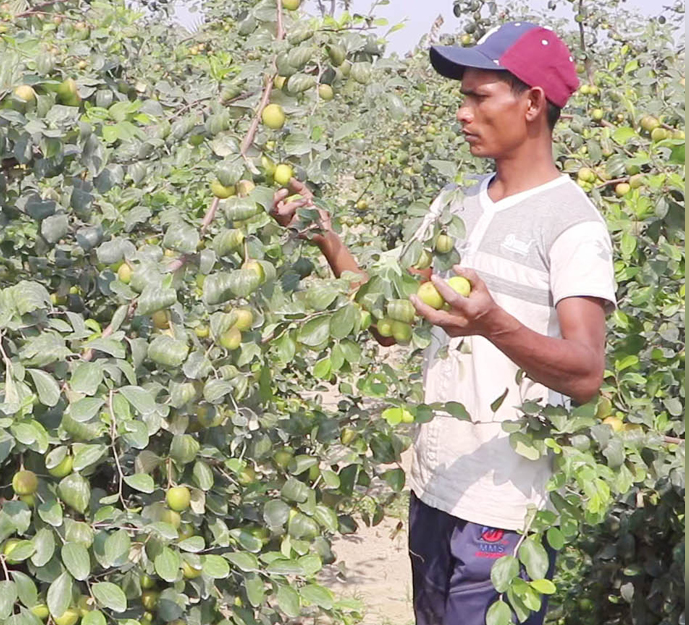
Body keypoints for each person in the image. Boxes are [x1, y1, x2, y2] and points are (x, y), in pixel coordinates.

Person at [269, 22, 616, 624]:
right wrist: (325, 236)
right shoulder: (455, 203)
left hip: (507, 505)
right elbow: (390, 324)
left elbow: (587, 375)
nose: (462, 113)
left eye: (479, 97)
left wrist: (493, 324)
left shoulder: (572, 224)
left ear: (532, 103)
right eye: (463, 97)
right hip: (434, 484)